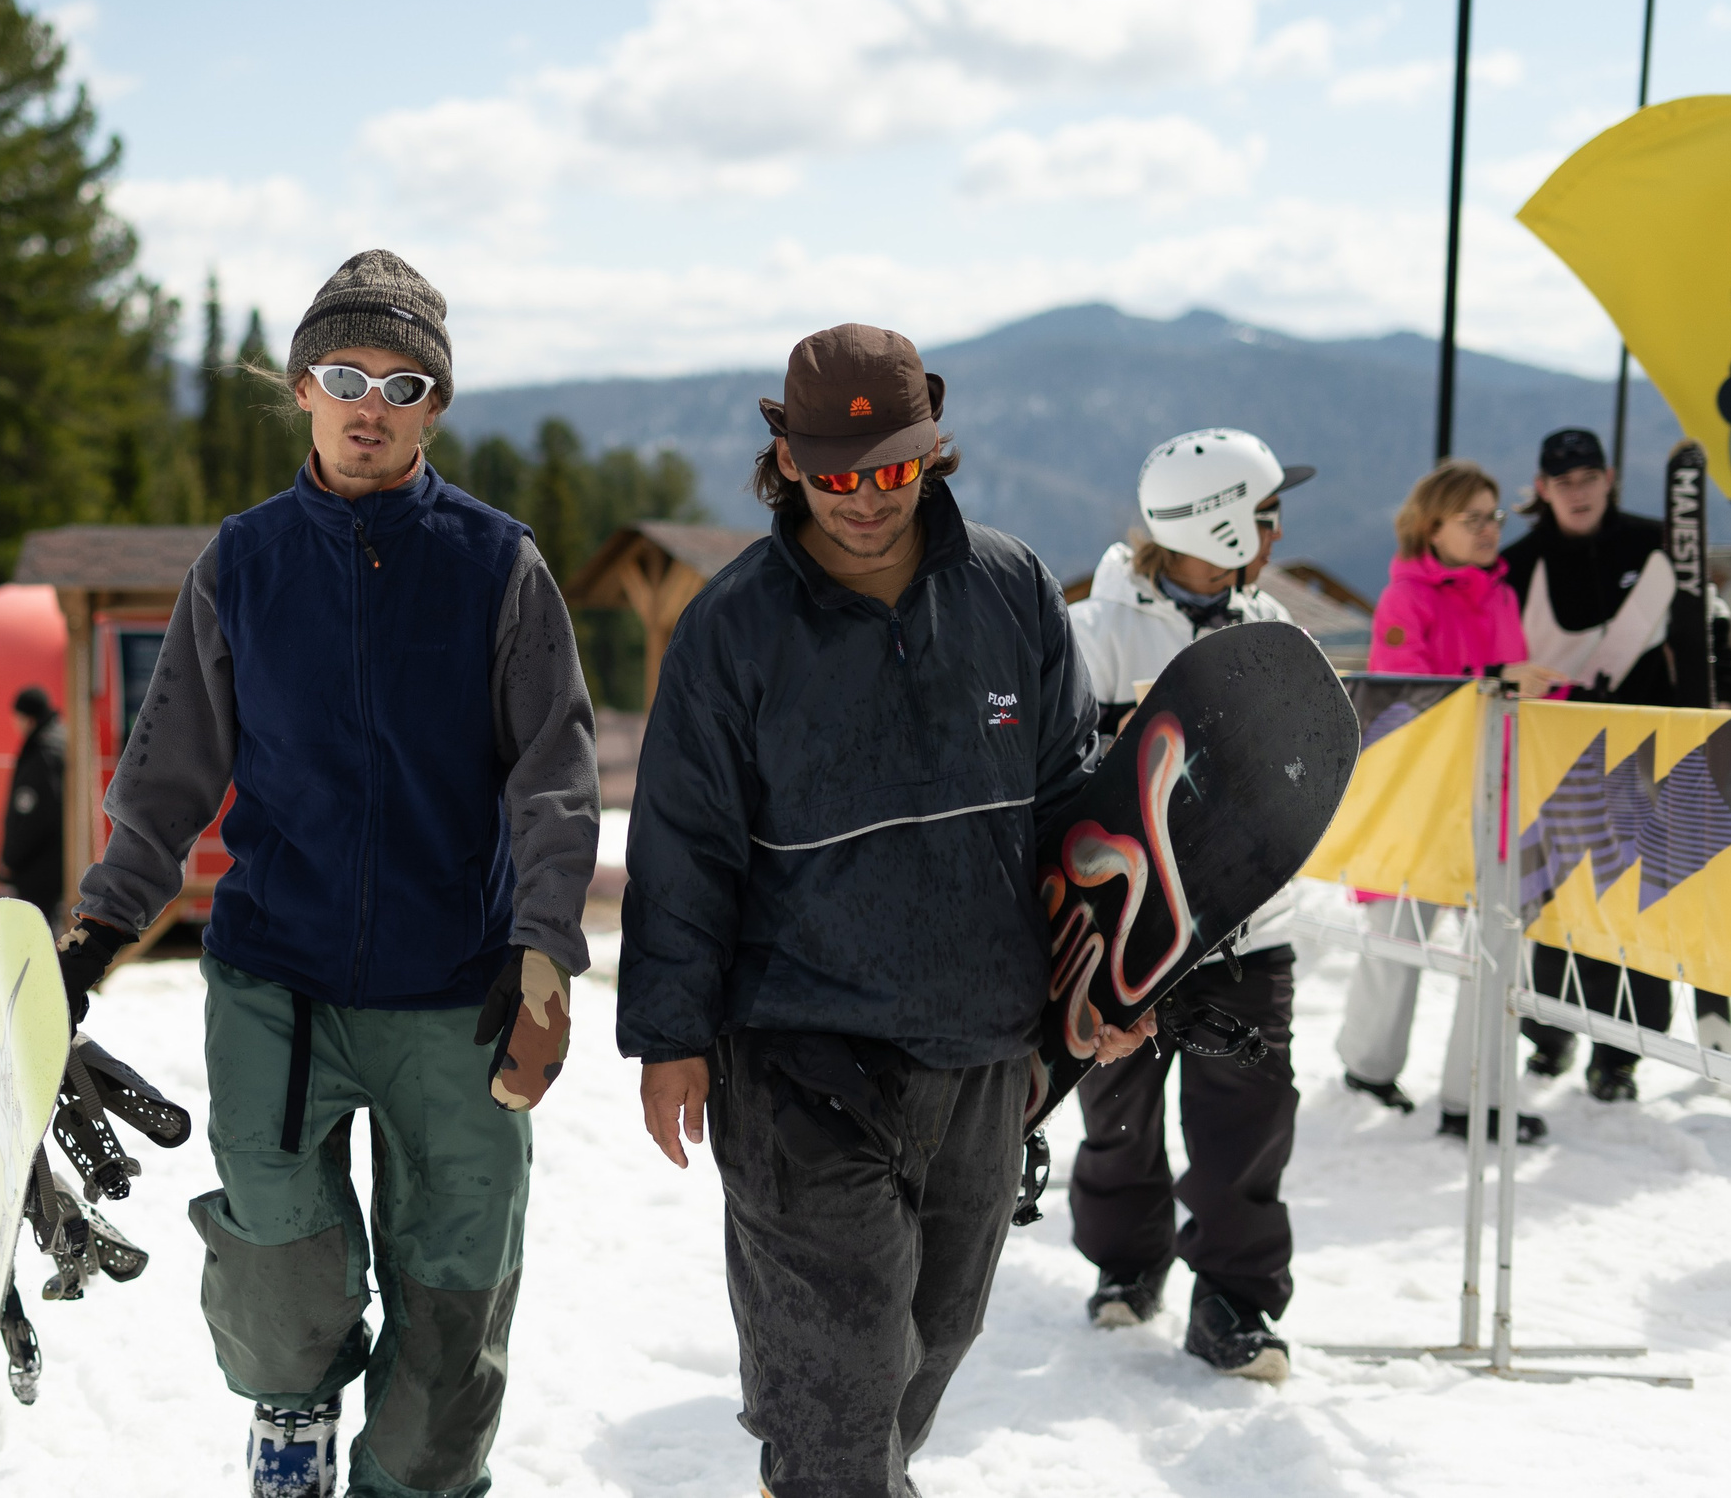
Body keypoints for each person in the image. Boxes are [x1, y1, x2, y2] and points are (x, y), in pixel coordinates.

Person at [64, 250, 599, 1498]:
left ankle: (416, 1485)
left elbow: (555, 775)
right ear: (301, 386)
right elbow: (170, 768)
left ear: (434, 407)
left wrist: (545, 951)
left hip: (455, 991)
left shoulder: (497, 566)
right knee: (283, 1275)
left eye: (403, 383)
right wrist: (101, 925)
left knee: (454, 1291)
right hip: (278, 983)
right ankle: (292, 1416)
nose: (372, 404)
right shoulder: (241, 566)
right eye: (346, 375)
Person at [619, 323, 1146, 1498]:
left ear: (931, 451)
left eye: (894, 469)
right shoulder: (735, 626)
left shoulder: (1009, 590)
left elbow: (1070, 808)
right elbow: (683, 847)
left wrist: (1101, 985)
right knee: (843, 1379)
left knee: (931, 1343)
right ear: (787, 462)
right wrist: (668, 1035)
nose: (865, 499)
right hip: (798, 1047)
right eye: (836, 474)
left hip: (977, 1043)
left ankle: (817, 1466)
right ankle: (822, 1463)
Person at [1060, 429, 1313, 1383]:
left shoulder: (1272, 625)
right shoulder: (1095, 631)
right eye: (1262, 511)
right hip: (1132, 929)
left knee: (1246, 1120)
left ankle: (1236, 1303)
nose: (1275, 528)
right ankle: (1127, 1263)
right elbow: (1064, 776)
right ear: (1216, 520)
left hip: (1249, 928)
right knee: (1119, 1110)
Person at [1501, 428, 1731, 1099]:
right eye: (1562, 482)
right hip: (1556, 758)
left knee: (1637, 908)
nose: (1577, 492)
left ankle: (1621, 1055)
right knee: (1557, 901)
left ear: (1608, 478)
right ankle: (1549, 1033)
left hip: (1650, 755)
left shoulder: (1657, 543)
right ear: (1543, 489)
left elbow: (1705, 622)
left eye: (1588, 478)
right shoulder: (1518, 565)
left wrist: (1723, 681)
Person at [1334, 459, 1557, 1144]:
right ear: (1433, 525)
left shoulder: (1499, 593)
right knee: (1400, 939)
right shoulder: (1407, 599)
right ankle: (1367, 1066)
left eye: (1496, 516)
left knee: (1497, 945)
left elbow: (1503, 692)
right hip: (1425, 800)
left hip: (1496, 793)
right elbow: (1406, 694)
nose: (1491, 530)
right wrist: (1498, 679)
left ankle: (1476, 1096)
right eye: (1474, 518)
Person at [0, 685, 68, 921]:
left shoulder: (40, 753)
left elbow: (32, 815)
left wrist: (10, 859)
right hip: (56, 861)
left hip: (38, 868)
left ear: (28, 718)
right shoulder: (58, 740)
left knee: (35, 931)